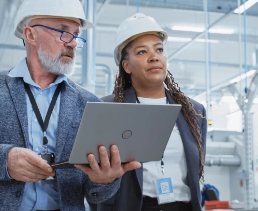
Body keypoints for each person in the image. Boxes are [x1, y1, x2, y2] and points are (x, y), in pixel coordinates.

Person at [0, 0, 140, 210]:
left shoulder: (88, 103)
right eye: (63, 31)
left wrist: (104, 180)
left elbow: (95, 195)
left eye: (76, 34)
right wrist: (4, 160)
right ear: (31, 35)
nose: (73, 42)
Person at [89, 13, 207, 211]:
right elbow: (95, 179)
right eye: (142, 52)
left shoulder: (194, 111)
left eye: (159, 49)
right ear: (126, 66)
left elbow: (197, 170)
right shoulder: (107, 110)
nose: (154, 57)